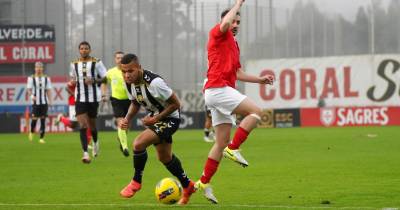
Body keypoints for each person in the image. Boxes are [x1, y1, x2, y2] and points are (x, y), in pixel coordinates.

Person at [195, 0, 275, 204]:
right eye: (233, 21)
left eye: (238, 22)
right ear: (225, 21)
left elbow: (238, 72)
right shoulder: (217, 33)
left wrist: (260, 80)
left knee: (219, 143)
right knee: (256, 112)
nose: (236, 24)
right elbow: (225, 23)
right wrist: (238, 4)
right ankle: (234, 147)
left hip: (218, 92)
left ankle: (203, 184)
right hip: (218, 88)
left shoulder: (233, 44)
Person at [118, 54, 196, 205]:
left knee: (138, 144)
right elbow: (135, 103)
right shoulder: (128, 82)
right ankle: (188, 185)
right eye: (124, 71)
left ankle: (136, 182)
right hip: (156, 118)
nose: (127, 75)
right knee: (165, 157)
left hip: (170, 118)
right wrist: (127, 118)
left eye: (130, 71)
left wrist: (156, 119)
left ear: (139, 68)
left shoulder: (155, 83)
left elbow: (176, 104)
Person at [69, 41, 107, 163]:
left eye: (86, 48)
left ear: (90, 50)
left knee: (92, 126)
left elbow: (106, 78)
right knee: (83, 126)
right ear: (79, 50)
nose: (84, 50)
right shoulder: (74, 64)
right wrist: (73, 82)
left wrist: (94, 80)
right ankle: (85, 153)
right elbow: (73, 78)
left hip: (93, 98)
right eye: (82, 48)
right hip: (79, 99)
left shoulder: (97, 62)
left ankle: (96, 142)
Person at [101, 51, 131, 157]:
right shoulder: (110, 72)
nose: (120, 59)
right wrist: (104, 95)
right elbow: (103, 82)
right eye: (118, 58)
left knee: (126, 126)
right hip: (116, 100)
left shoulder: (129, 71)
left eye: (122, 58)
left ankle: (121, 140)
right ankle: (125, 146)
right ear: (115, 59)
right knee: (121, 122)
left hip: (129, 100)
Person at [55, 81, 92, 146]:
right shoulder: (76, 78)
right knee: (73, 125)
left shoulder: (87, 77)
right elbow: (67, 87)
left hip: (84, 102)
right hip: (74, 103)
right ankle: (61, 118)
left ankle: (87, 143)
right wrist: (73, 94)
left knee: (88, 121)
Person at [27, 61, 53, 144]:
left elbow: (48, 90)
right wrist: (31, 96)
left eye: (40, 67)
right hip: (35, 102)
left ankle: (41, 138)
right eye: (37, 67)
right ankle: (31, 132)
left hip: (44, 102)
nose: (39, 69)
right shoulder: (31, 78)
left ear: (42, 69)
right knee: (34, 119)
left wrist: (50, 100)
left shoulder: (46, 78)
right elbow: (29, 90)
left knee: (43, 119)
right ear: (35, 68)